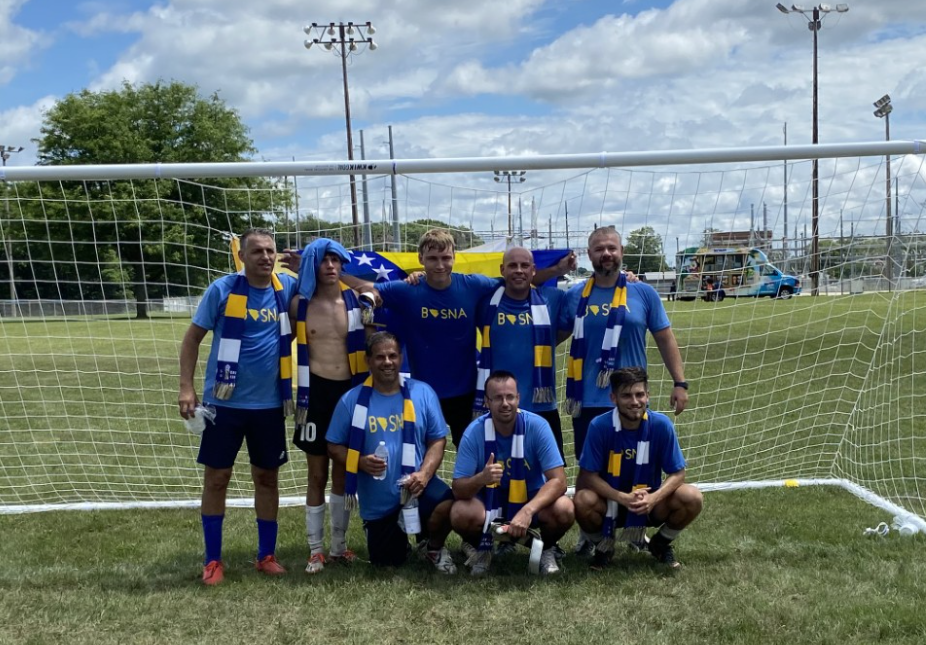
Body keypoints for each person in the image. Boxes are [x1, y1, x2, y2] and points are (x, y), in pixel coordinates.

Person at [347, 229, 575, 447]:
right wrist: (337, 274)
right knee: (416, 455)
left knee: (475, 457)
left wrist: (555, 271)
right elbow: (369, 287)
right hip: (422, 392)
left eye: (445, 258)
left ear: (454, 257)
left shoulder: (472, 285)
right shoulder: (407, 290)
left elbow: (518, 281)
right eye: (433, 258)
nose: (440, 265)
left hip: (466, 393)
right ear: (421, 258)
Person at [178, 227, 298, 585]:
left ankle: (266, 555)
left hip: (270, 405)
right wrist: (186, 388)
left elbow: (330, 279)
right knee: (217, 479)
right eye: (257, 251)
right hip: (223, 404)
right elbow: (192, 340)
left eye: (270, 251)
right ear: (242, 256)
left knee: (267, 478)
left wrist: (304, 261)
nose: (265, 257)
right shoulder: (223, 289)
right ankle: (213, 560)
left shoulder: (287, 288)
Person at [327, 332, 457, 573]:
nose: (387, 362)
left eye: (392, 356)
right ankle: (395, 537)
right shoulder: (351, 401)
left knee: (449, 505)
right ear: (368, 361)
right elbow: (333, 446)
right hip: (380, 503)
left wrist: (425, 475)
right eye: (380, 357)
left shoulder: (422, 392)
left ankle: (433, 546)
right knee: (387, 564)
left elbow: (437, 440)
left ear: (401, 358)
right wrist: (359, 462)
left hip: (417, 487)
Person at [289, 238, 369, 574]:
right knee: (316, 473)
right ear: (313, 265)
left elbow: (373, 287)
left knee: (343, 470)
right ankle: (315, 549)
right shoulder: (299, 305)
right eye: (324, 260)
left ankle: (338, 546)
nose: (331, 266)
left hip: (349, 393)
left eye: (337, 260)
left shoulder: (357, 300)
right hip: (315, 392)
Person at [573, 367, 702, 570]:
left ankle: (660, 544)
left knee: (692, 497)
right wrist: (622, 497)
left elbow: (678, 473)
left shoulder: (661, 425)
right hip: (611, 503)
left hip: (648, 504)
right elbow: (588, 476)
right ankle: (603, 547)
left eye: (639, 394)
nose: (634, 402)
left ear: (648, 396)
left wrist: (653, 498)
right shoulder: (599, 426)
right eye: (626, 396)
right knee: (582, 500)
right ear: (613, 398)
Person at [450, 371, 574, 576]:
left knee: (565, 508)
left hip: (530, 497)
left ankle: (547, 549)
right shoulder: (474, 432)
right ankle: (482, 548)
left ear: (518, 398)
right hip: (490, 502)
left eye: (510, 396)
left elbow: (559, 481)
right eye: (498, 398)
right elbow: (458, 489)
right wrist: (481, 478)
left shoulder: (537, 426)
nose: (505, 403)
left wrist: (528, 511)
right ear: (487, 402)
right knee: (460, 512)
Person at [473, 247, 570, 458]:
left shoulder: (553, 298)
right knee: (497, 472)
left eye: (524, 265)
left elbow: (569, 322)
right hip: (499, 406)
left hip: (541, 404)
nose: (519, 270)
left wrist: (625, 278)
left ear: (533, 270)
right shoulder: (484, 301)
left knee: (552, 472)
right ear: (502, 269)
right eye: (512, 265)